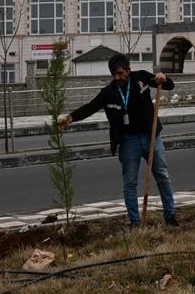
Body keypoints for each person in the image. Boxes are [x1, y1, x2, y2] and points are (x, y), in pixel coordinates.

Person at [58, 54, 177, 226]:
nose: (117, 77)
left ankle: (170, 217)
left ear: (129, 70)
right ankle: (135, 223)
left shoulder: (141, 78)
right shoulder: (109, 92)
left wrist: (163, 79)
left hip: (151, 136)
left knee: (162, 176)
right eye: (114, 74)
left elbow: (169, 86)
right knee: (130, 182)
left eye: (120, 73)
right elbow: (91, 107)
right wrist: (70, 117)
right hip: (128, 142)